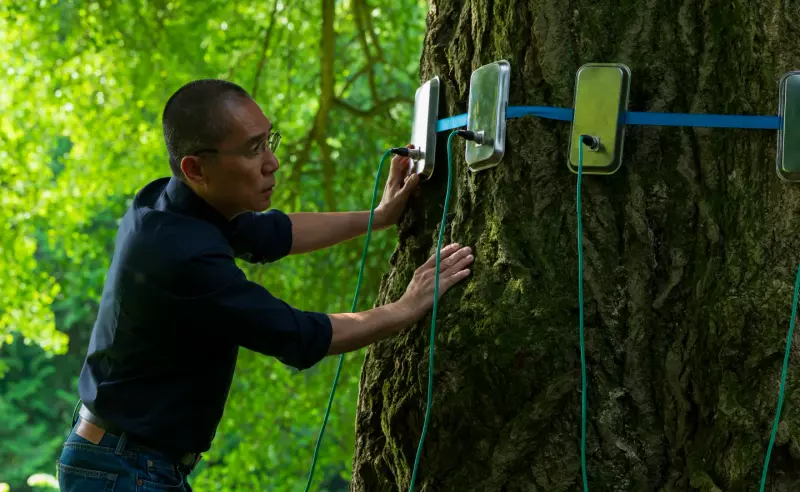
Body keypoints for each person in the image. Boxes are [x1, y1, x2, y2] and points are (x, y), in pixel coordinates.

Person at [56, 78, 473, 491]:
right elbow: (297, 333)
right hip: (122, 471)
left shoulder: (172, 203)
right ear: (196, 168)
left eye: (269, 139)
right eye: (254, 149)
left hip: (127, 461)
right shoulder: (181, 255)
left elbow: (275, 233)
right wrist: (406, 306)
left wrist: (377, 217)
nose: (272, 162)